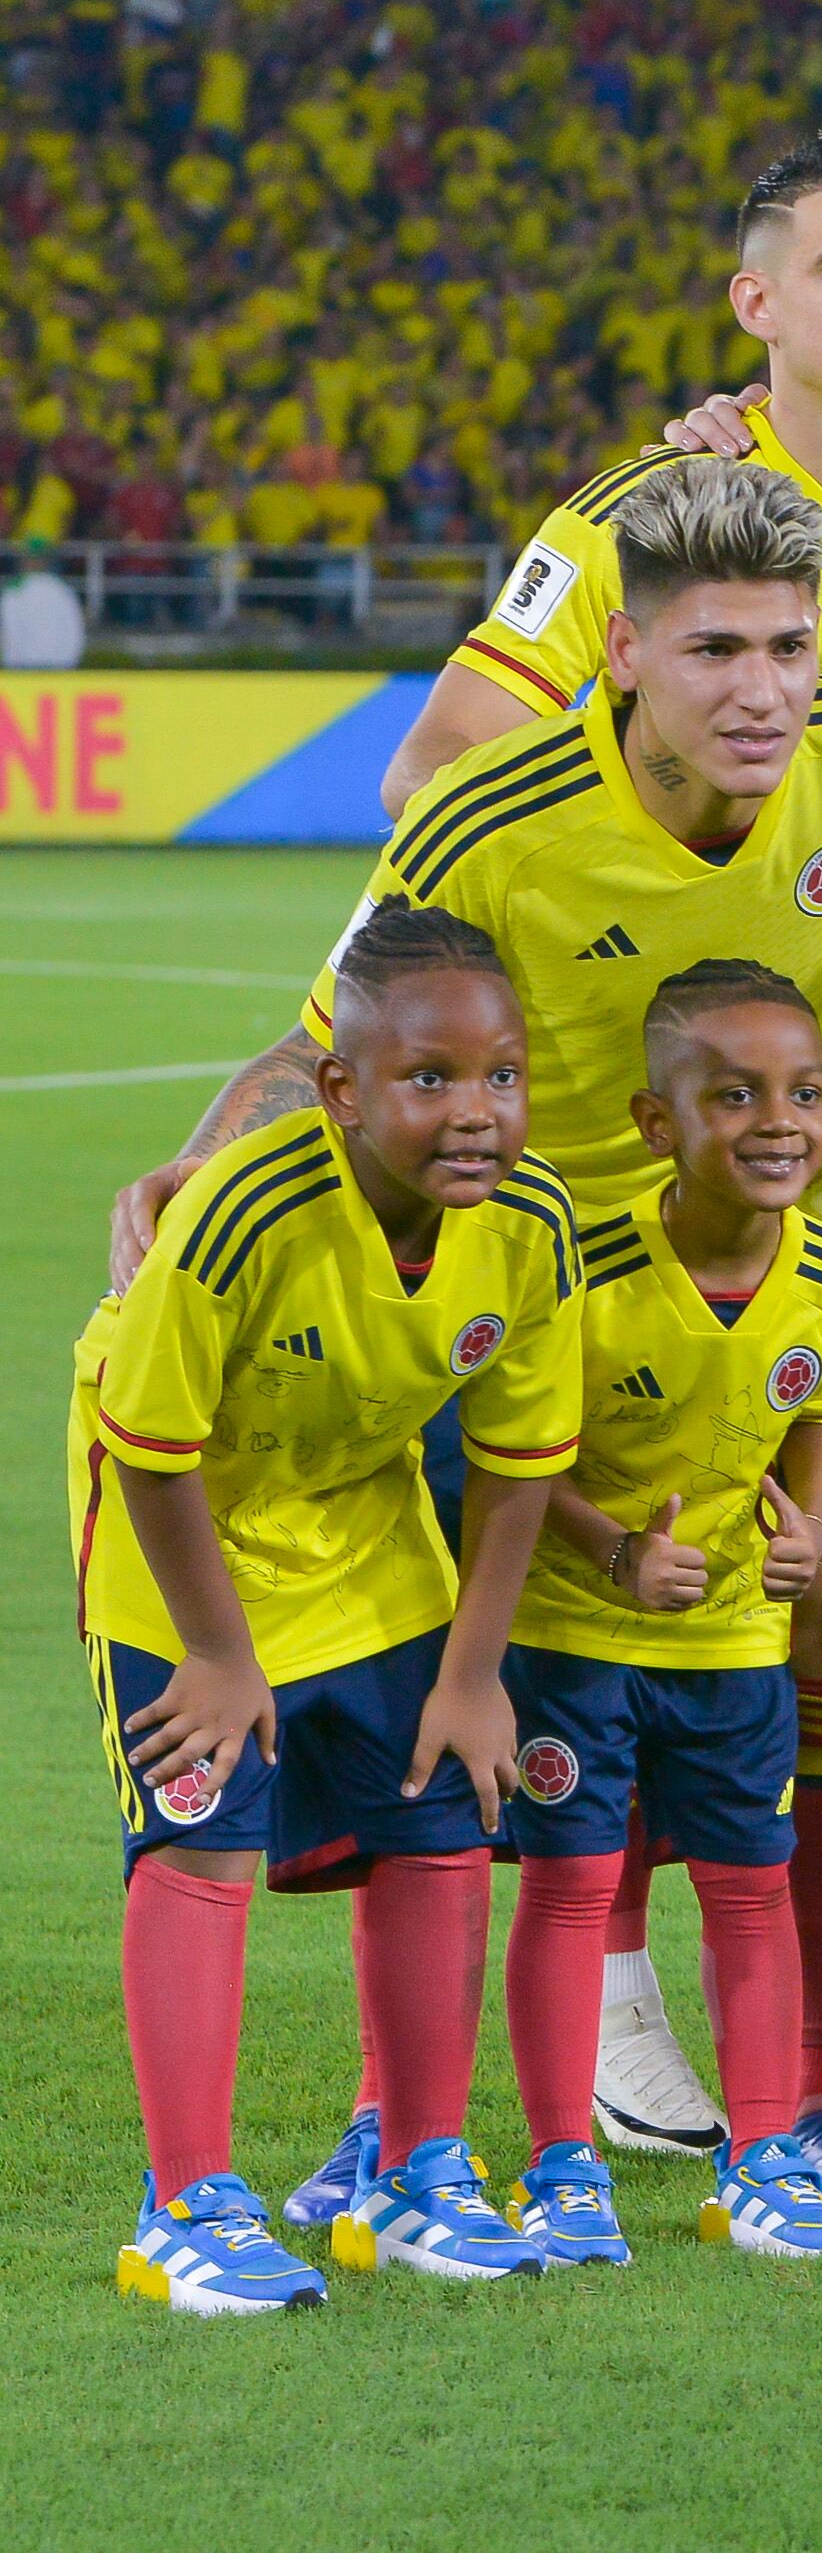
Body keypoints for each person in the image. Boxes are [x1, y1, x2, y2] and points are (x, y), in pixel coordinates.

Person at [111, 455, 822, 2231]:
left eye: (784, 646)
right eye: (713, 653)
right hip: (522, 1310)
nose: (761, 690)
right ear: (623, 654)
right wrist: (199, 1167)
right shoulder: (496, 822)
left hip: (749, 1291)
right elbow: (339, 1036)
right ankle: (408, 2123)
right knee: (485, 1714)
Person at [81, 904, 582, 2310]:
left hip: (359, 1503)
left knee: (439, 1804)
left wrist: (475, 1674)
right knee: (204, 1824)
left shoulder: (533, 1223)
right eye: (430, 1081)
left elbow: (518, 1468)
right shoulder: (245, 1212)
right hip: (178, 1523)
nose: (475, 1113)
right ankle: (183, 2201)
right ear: (346, 1093)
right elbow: (151, 1443)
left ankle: (416, 2169)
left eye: (502, 1077)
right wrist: (220, 1655)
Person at [494, 961, 822, 2263]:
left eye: (805, 1094)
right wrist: (611, 1557)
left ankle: (766, 2154)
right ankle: (561, 2165)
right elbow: (517, 1456)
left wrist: (811, 1527)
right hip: (575, 1644)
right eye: (735, 1096)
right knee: (570, 1886)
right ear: (658, 1124)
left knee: (750, 1892)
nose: (780, 1123)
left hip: (731, 1650)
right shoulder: (585, 1272)